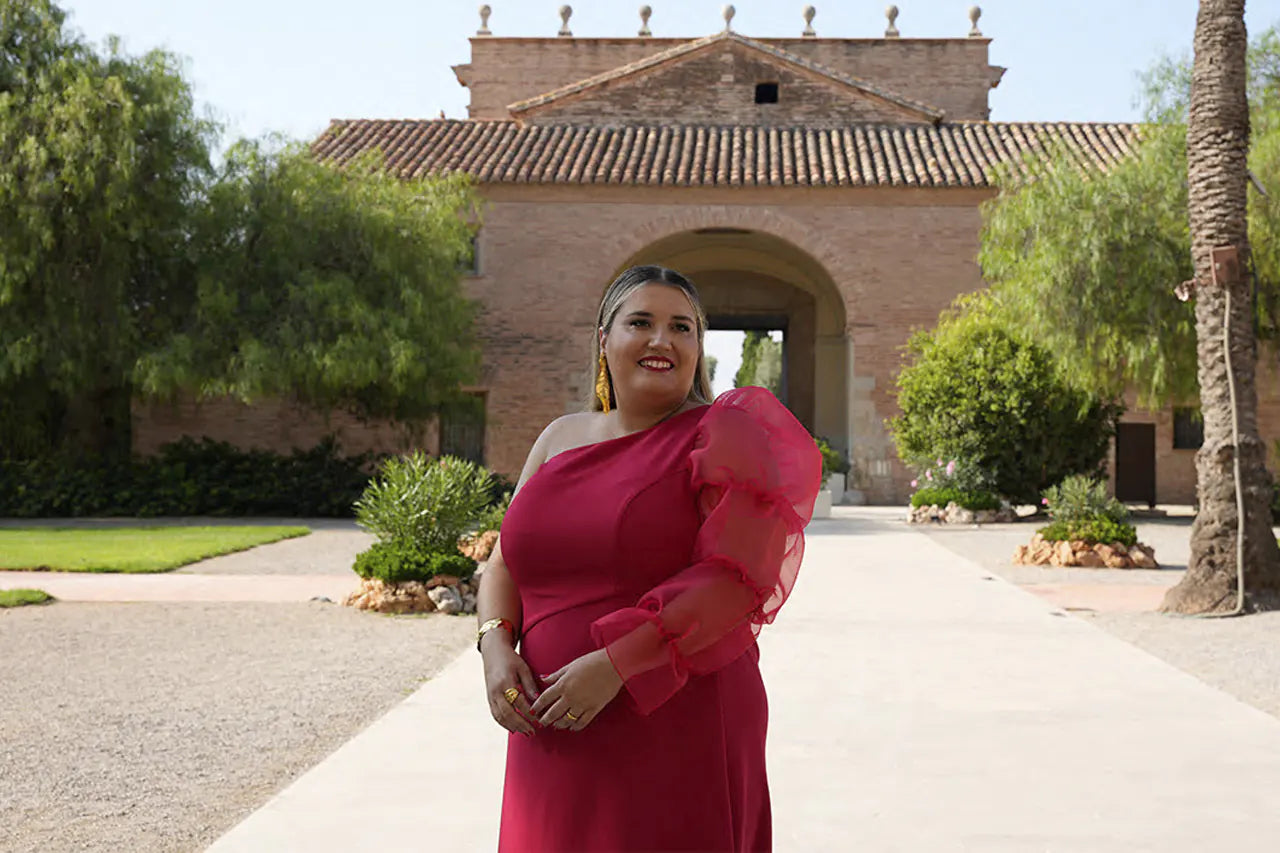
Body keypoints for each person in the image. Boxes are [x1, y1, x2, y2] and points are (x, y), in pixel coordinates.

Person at [476, 265, 822, 852]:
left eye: (681, 328)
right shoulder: (558, 436)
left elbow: (737, 581)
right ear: (604, 340)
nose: (662, 340)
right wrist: (493, 645)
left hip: (674, 717)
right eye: (641, 322)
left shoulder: (727, 435)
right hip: (550, 720)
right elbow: (505, 559)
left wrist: (615, 664)